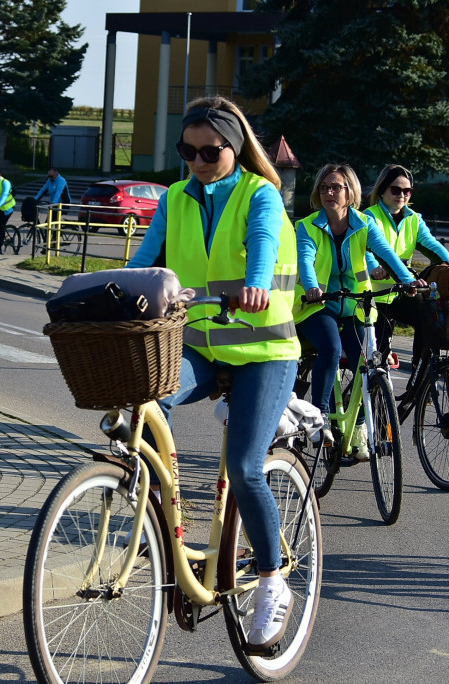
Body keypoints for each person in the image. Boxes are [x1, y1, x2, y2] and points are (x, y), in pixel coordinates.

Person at [126, 96, 300, 650]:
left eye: (209, 150)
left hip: (264, 351)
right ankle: (161, 518)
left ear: (234, 146)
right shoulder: (175, 198)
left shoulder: (260, 193)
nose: (197, 160)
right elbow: (147, 262)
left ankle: (273, 580)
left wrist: (254, 281)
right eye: (188, 151)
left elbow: (264, 245)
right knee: (144, 403)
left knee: (247, 467)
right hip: (200, 346)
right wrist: (119, 292)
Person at [293, 163, 423, 460]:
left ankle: (360, 427)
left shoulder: (364, 224)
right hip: (318, 305)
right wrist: (312, 287)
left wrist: (407, 280)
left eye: (336, 187)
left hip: (355, 305)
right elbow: (306, 261)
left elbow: (386, 254)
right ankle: (321, 416)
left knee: (368, 364)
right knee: (330, 347)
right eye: (324, 187)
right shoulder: (307, 226)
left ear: (350, 193)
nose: (329, 192)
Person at [364, 164, 449, 409]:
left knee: (428, 314)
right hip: (376, 295)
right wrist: (375, 267)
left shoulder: (414, 220)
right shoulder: (369, 216)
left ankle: (421, 377)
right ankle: (371, 407)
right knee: (378, 358)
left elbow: (433, 247)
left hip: (404, 290)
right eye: (396, 190)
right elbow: (367, 248)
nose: (402, 196)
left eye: (408, 191)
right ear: (383, 190)